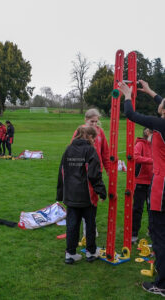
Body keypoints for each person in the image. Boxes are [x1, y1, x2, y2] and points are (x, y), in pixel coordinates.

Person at [118, 79, 165, 296]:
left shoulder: (162, 124)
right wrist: (148, 91)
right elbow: (162, 101)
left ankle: (162, 284)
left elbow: (132, 115)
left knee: (159, 235)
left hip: (161, 187)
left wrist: (128, 95)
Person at [57, 126, 106, 264]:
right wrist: (101, 192)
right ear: (89, 137)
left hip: (71, 196)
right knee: (90, 224)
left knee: (72, 225)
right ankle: (91, 252)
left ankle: (70, 253)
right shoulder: (90, 150)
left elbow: (61, 172)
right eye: (94, 138)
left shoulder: (68, 149)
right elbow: (94, 174)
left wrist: (61, 194)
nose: (95, 141)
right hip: (87, 196)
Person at [72, 108, 110, 238]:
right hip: (82, 173)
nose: (94, 124)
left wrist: (109, 170)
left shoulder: (101, 132)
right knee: (84, 201)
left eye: (96, 121)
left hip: (96, 172)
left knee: (94, 200)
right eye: (91, 121)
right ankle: (87, 230)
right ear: (85, 120)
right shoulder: (79, 132)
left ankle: (91, 227)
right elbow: (72, 150)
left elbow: (105, 153)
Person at [132, 127, 153, 243]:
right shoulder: (140, 144)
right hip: (140, 182)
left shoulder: (157, 144)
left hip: (153, 182)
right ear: (146, 132)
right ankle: (133, 234)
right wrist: (152, 160)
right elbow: (135, 157)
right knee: (137, 209)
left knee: (153, 209)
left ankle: (152, 230)